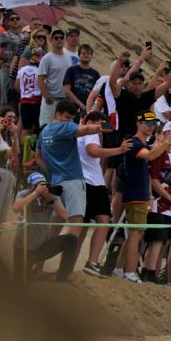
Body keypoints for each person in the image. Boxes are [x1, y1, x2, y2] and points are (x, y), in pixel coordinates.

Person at [115, 110, 171, 283]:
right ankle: (128, 272)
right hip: (135, 193)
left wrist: (163, 143)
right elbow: (150, 156)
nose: (151, 126)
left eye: (153, 124)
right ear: (139, 123)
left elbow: (152, 152)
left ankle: (120, 269)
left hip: (140, 193)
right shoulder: (135, 143)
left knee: (135, 234)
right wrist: (167, 142)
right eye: (147, 123)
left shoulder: (142, 143)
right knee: (136, 234)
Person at [39, 99, 108, 239]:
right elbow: (88, 129)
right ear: (57, 114)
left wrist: (53, 171)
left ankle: (39, 260)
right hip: (72, 181)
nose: (69, 121)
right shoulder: (65, 127)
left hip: (55, 182)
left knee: (55, 227)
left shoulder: (44, 131)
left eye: (71, 118)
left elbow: (38, 157)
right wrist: (108, 124)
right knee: (76, 225)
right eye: (67, 117)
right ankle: (66, 261)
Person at [76, 111, 129, 275]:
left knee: (83, 226)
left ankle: (71, 262)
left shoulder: (80, 132)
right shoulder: (90, 132)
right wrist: (119, 150)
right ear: (90, 121)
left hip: (85, 181)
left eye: (104, 123)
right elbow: (94, 151)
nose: (102, 126)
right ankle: (92, 261)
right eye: (100, 122)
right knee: (104, 220)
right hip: (92, 183)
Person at [140, 122, 171, 283]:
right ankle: (148, 271)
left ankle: (149, 270)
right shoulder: (157, 151)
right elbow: (153, 180)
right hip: (157, 202)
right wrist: (170, 197)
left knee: (160, 239)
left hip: (169, 205)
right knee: (155, 238)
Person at [11, 172, 78, 283]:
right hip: (23, 248)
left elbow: (64, 215)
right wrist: (35, 193)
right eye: (36, 184)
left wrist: (48, 198)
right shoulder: (24, 194)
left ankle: (62, 278)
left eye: (42, 184)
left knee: (71, 240)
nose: (40, 187)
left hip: (42, 247)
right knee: (20, 281)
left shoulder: (51, 197)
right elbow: (16, 208)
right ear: (30, 185)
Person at [37, 27, 72, 127]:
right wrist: (47, 96)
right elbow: (40, 79)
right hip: (51, 100)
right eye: (56, 38)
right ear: (51, 40)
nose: (59, 40)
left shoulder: (68, 57)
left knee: (62, 127)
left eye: (61, 38)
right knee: (47, 127)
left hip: (64, 100)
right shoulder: (47, 58)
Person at [61, 43, 99, 112]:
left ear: (91, 56)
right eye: (83, 53)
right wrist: (80, 104)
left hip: (89, 108)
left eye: (88, 53)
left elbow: (97, 92)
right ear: (79, 55)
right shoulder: (71, 70)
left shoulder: (95, 74)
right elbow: (67, 90)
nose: (86, 55)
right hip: (72, 107)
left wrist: (90, 106)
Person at [16, 47, 44, 134]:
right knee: (36, 128)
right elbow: (43, 87)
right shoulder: (40, 71)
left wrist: (24, 94)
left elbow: (16, 86)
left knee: (25, 128)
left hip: (24, 102)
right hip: (36, 103)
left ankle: (23, 148)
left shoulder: (22, 70)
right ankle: (33, 147)